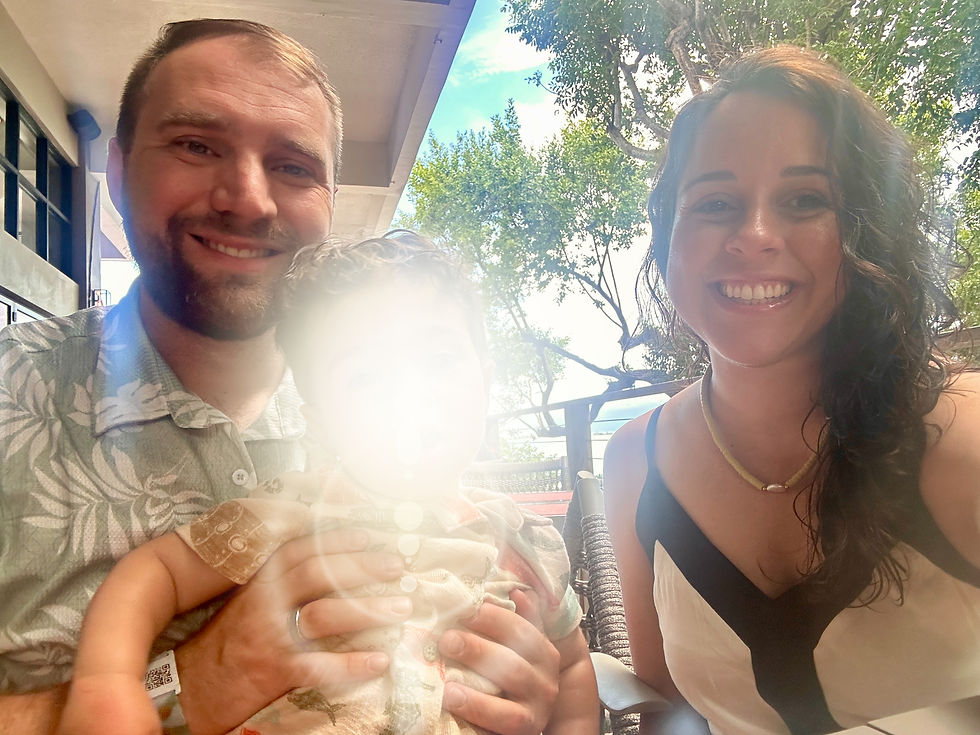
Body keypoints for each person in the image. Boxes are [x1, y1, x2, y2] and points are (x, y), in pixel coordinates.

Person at [0, 19, 562, 735]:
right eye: (197, 145)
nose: (248, 199)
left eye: (293, 166)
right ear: (118, 168)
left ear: (329, 199)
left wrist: (535, 697)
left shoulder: (390, 413)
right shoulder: (12, 391)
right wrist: (185, 688)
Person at [56, 232, 598, 735]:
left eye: (438, 358)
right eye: (364, 376)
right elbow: (156, 574)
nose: (410, 393)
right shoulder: (294, 507)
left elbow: (571, 662)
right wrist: (107, 682)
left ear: (486, 378)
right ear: (318, 420)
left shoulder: (529, 543)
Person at [603, 45, 980, 735]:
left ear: (865, 230)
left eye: (805, 199)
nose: (754, 236)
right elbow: (665, 707)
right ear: (667, 240)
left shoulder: (959, 436)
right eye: (715, 202)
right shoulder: (636, 463)